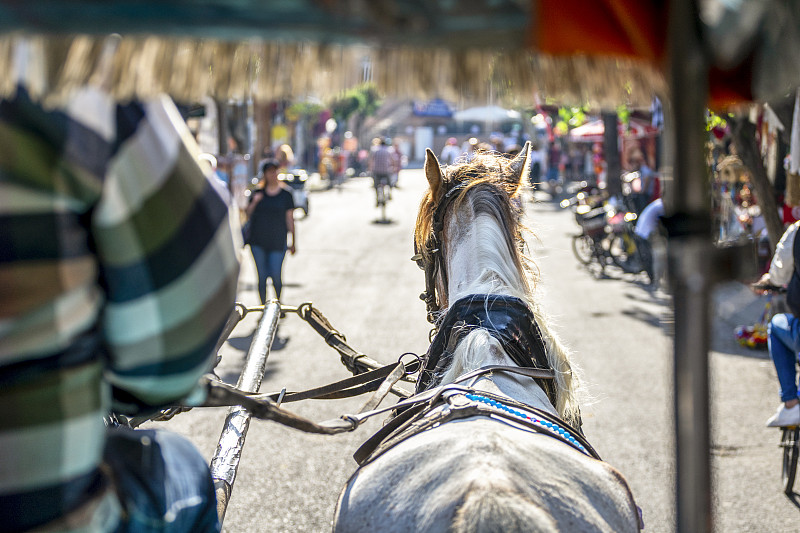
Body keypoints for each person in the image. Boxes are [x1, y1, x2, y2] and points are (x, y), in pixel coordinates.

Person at [0, 85, 240, 532]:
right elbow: (184, 320)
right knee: (183, 464)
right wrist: (135, 393)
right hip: (43, 511)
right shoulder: (56, 68)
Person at [755, 220, 800, 427]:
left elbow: (778, 274)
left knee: (776, 324)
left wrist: (769, 281)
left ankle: (791, 403)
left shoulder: (797, 230)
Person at [246, 159, 297, 302]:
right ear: (264, 174)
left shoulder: (286, 194)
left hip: (278, 241)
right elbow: (247, 215)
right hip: (257, 242)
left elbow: (290, 219)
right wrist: (255, 201)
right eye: (269, 172)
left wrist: (293, 241)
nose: (273, 174)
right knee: (261, 276)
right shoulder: (257, 193)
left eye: (275, 171)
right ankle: (263, 307)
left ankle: (277, 305)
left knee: (275, 274)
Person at [633, 197, 665, 286]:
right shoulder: (662, 206)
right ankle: (657, 281)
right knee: (659, 255)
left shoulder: (659, 203)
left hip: (642, 230)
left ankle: (656, 280)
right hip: (646, 232)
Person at [369, 138, 393, 207]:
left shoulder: (375, 150)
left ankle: (377, 199)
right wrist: (393, 167)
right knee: (390, 183)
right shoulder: (388, 150)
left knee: (376, 185)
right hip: (386, 171)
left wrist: (370, 169)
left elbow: (371, 160)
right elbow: (392, 160)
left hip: (376, 171)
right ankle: (389, 194)